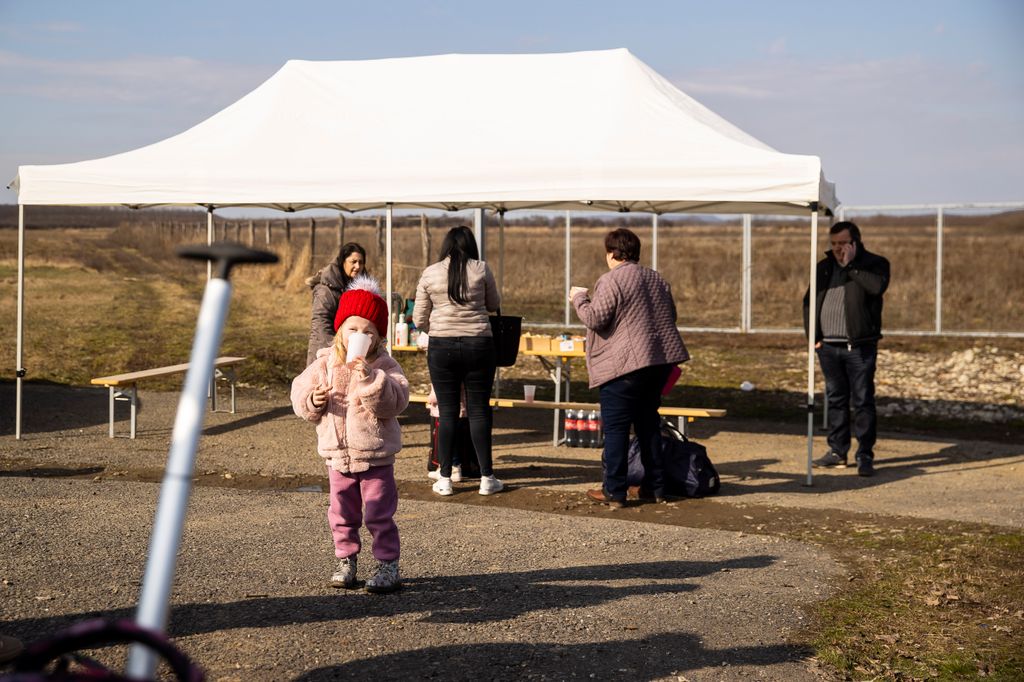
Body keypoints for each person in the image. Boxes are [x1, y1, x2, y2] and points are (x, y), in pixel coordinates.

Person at [291, 275, 410, 593]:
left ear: (378, 337)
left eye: (368, 331)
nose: (360, 335)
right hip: (337, 455)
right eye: (353, 328)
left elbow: (394, 404)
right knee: (341, 511)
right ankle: (347, 560)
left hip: (376, 456)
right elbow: (299, 393)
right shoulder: (325, 363)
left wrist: (372, 379)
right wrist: (311, 401)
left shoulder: (386, 366)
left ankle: (388, 564)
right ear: (340, 329)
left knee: (379, 512)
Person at [570, 228, 690, 508]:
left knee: (616, 431)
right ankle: (655, 488)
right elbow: (671, 315)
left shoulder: (611, 280)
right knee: (648, 426)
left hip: (623, 367)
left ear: (611, 253)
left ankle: (615, 491)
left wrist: (579, 298)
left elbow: (596, 319)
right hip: (658, 363)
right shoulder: (657, 278)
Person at [413, 225, 503, 497]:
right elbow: (493, 303)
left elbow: (418, 319)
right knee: (479, 410)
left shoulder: (430, 272)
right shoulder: (481, 268)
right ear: (471, 246)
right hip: (479, 344)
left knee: (448, 411)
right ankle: (487, 477)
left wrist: (439, 325)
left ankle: (445, 478)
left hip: (442, 347)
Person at [803, 220, 890, 477]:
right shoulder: (824, 267)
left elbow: (876, 287)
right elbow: (809, 301)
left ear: (855, 242)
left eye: (843, 243)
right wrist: (813, 336)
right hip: (828, 347)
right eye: (834, 244)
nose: (838, 248)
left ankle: (865, 455)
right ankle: (837, 451)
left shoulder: (875, 264)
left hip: (860, 348)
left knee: (863, 400)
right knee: (836, 400)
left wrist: (852, 265)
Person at [306, 242, 367, 366]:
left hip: (352, 350)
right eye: (353, 262)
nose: (357, 266)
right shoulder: (325, 291)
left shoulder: (361, 288)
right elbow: (321, 325)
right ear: (343, 261)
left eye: (361, 262)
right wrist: (337, 350)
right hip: (325, 351)